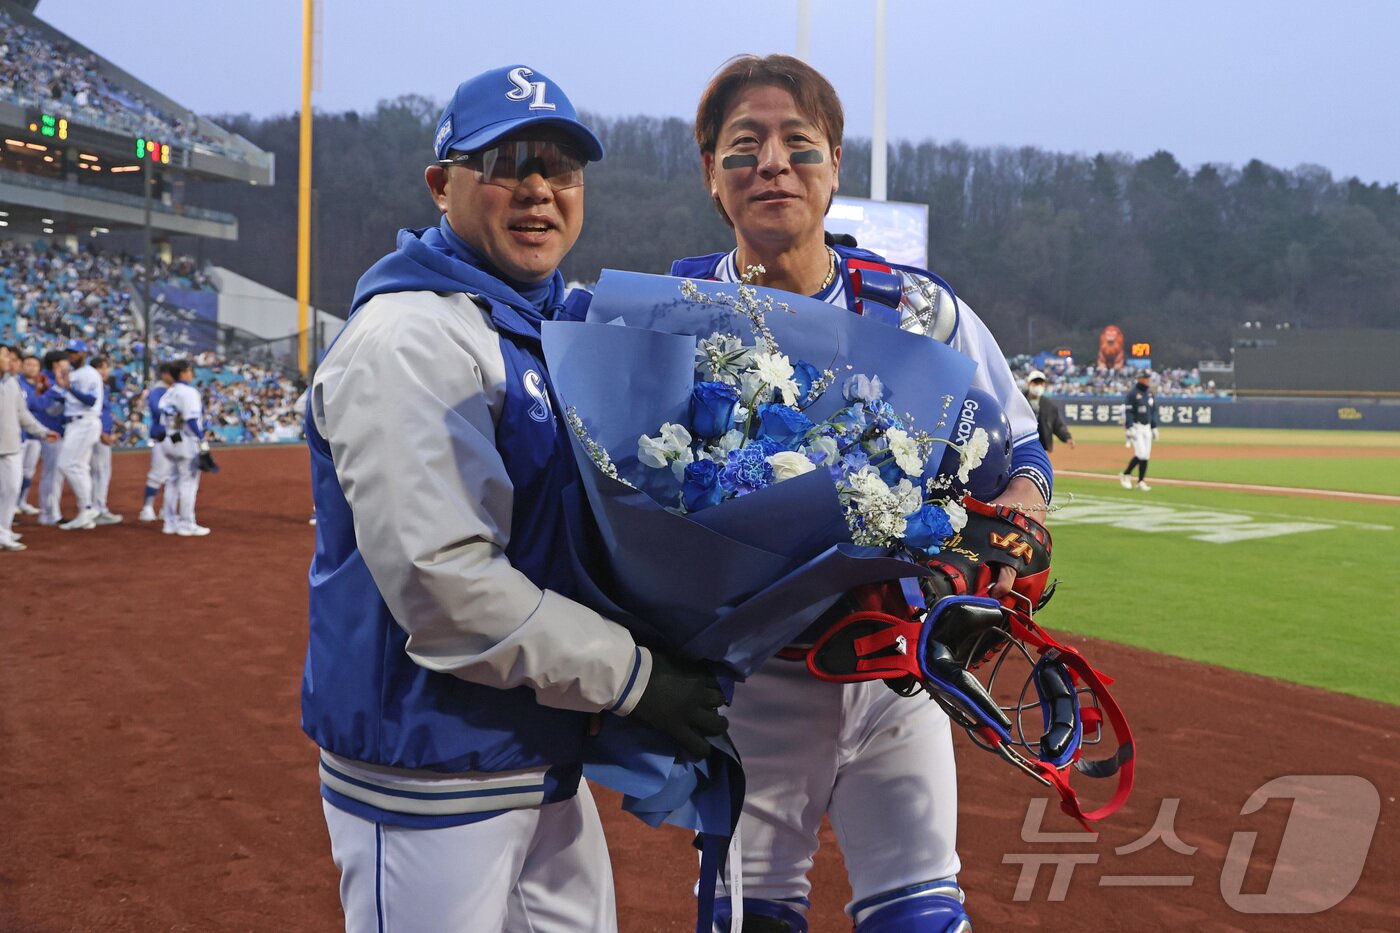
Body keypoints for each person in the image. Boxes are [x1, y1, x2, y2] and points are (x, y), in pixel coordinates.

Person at [301, 64, 728, 933]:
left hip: (536, 749)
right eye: (506, 162)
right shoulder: (411, 336)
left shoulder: (543, 324)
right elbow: (446, 586)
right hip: (425, 765)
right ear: (441, 184)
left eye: (560, 167)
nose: (538, 188)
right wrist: (637, 676)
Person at [670, 55, 1055, 932]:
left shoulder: (921, 311)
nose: (772, 163)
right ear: (710, 177)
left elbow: (1023, 444)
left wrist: (1025, 513)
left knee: (923, 917)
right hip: (753, 684)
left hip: (897, 677)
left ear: (835, 165)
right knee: (751, 920)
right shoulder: (672, 317)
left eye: (798, 143)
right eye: (743, 147)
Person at [1, 345, 59, 551]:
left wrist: (44, 432)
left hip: (11, 445)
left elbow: (23, 414)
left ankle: (4, 531)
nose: (9, 360)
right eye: (5, 356)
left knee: (11, 490)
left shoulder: (12, 384)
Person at [56, 338, 105, 530]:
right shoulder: (75, 373)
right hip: (76, 423)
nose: (70, 355)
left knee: (66, 464)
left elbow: (91, 400)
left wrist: (69, 388)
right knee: (80, 467)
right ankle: (85, 513)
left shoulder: (89, 373)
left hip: (85, 421)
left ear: (84, 354)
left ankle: (88, 507)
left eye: (74, 352)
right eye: (69, 352)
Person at [157, 360, 210, 536]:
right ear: (183, 373)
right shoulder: (189, 392)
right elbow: (191, 420)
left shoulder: (169, 392)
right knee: (188, 484)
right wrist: (202, 439)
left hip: (169, 439)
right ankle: (187, 523)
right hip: (186, 441)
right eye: (189, 371)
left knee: (172, 481)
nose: (191, 374)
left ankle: (170, 522)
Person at [33, 350, 69, 526]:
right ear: (56, 364)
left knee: (54, 473)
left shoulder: (57, 379)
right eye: (65, 361)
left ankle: (49, 512)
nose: (67, 364)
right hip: (48, 432)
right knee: (52, 473)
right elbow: (40, 406)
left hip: (54, 431)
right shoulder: (44, 379)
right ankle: (50, 513)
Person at [138, 362, 177, 522]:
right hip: (161, 436)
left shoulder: (174, 390)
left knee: (172, 476)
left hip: (175, 437)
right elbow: (157, 409)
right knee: (157, 474)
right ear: (165, 374)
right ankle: (147, 508)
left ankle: (166, 508)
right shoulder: (158, 390)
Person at [87, 356, 123, 525]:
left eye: (106, 367)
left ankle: (96, 507)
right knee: (100, 472)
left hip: (100, 431)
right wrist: (103, 433)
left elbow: (103, 409)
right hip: (98, 434)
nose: (105, 370)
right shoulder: (95, 386)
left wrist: (114, 420)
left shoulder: (104, 387)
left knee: (98, 471)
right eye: (101, 367)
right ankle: (98, 509)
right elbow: (93, 411)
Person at [13, 352, 46, 516]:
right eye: (28, 364)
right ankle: (11, 504)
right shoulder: (17, 383)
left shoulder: (39, 386)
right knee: (14, 473)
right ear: (21, 366)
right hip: (20, 434)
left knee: (28, 471)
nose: (32, 368)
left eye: (35, 365)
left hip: (35, 435)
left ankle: (21, 501)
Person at [1120, 369, 1158, 491]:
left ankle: (1141, 481)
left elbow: (1152, 413)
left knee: (1146, 455)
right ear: (1139, 379)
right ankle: (1125, 474)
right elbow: (1129, 411)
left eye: (1148, 378)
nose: (1148, 380)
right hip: (1137, 427)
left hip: (1147, 427)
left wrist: (1154, 427)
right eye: (1145, 378)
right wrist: (1129, 426)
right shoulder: (1133, 394)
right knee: (1140, 453)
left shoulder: (1149, 394)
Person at [1025, 369, 1074, 453]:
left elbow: (1057, 425)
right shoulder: (1019, 402)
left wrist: (1066, 437)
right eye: (1035, 383)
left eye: (1041, 383)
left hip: (1043, 447)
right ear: (1028, 384)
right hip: (1024, 445)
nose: (1038, 386)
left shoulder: (1049, 405)